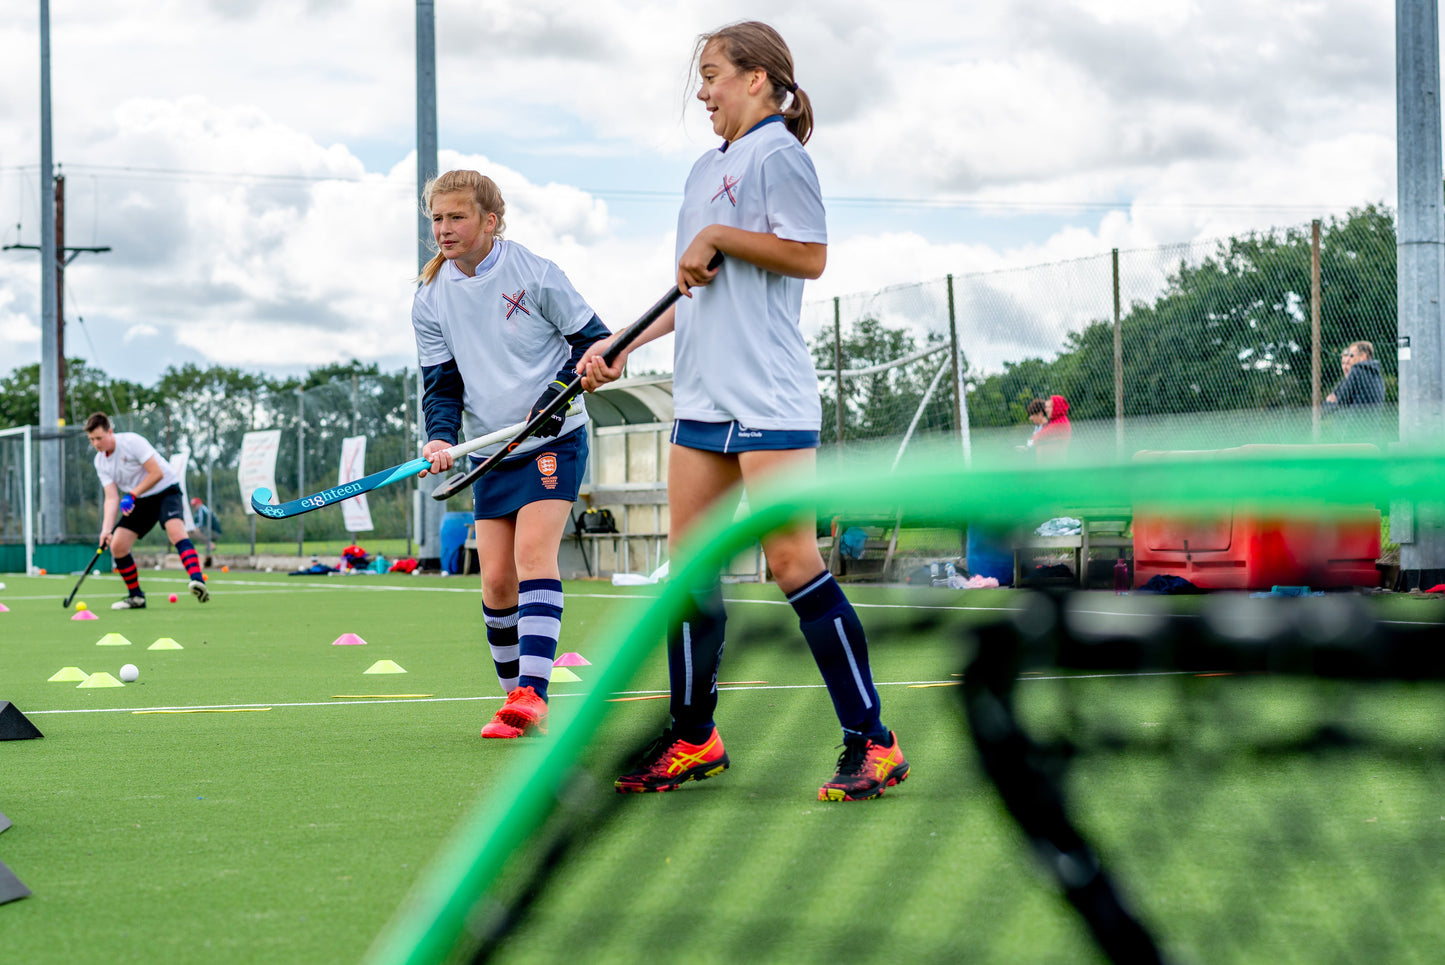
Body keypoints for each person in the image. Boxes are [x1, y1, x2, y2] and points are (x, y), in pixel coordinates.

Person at [579, 21, 908, 802]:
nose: (701, 90)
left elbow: (809, 254)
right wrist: (625, 343)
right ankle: (694, 736)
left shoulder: (781, 156)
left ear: (757, 78)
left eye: (712, 74)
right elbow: (693, 289)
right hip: (702, 397)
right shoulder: (705, 169)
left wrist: (725, 234)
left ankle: (873, 739)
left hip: (767, 396)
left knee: (793, 563)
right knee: (687, 571)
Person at [413, 169, 610, 740]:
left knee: (531, 558)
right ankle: (515, 705)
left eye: (457, 217)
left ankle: (533, 694)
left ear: (489, 221)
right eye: (437, 219)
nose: (444, 229)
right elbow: (442, 384)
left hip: (553, 437)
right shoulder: (430, 297)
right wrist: (442, 437)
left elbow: (592, 342)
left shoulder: (536, 274)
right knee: (495, 582)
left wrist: (554, 398)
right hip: (493, 449)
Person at [84, 412, 210, 609]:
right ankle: (136, 597)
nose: (96, 444)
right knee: (118, 545)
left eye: (99, 438)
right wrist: (106, 529)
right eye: (91, 439)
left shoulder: (132, 442)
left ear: (110, 431)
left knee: (175, 531)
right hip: (140, 498)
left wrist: (132, 495)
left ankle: (197, 581)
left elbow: (156, 473)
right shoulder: (100, 461)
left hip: (165, 490)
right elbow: (111, 497)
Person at [1325, 341, 1385, 407]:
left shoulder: (1357, 370)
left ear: (1363, 356)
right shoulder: (1377, 373)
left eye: (1352, 356)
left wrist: (1328, 403)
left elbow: (1341, 401)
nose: (1350, 359)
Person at [1033, 394, 1072, 463]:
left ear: (1057, 407)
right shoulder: (1053, 421)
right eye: (1046, 407)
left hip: (1055, 464)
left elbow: (1038, 437)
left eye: (1049, 407)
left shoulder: (1061, 423)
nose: (1046, 410)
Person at [188, 496, 221, 562]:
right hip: (207, 529)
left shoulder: (202, 510)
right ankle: (209, 544)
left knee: (194, 531)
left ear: (199, 504)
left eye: (195, 505)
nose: (193, 507)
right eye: (192, 506)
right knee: (190, 532)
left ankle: (210, 544)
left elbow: (202, 524)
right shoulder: (197, 512)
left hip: (214, 531)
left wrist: (193, 528)